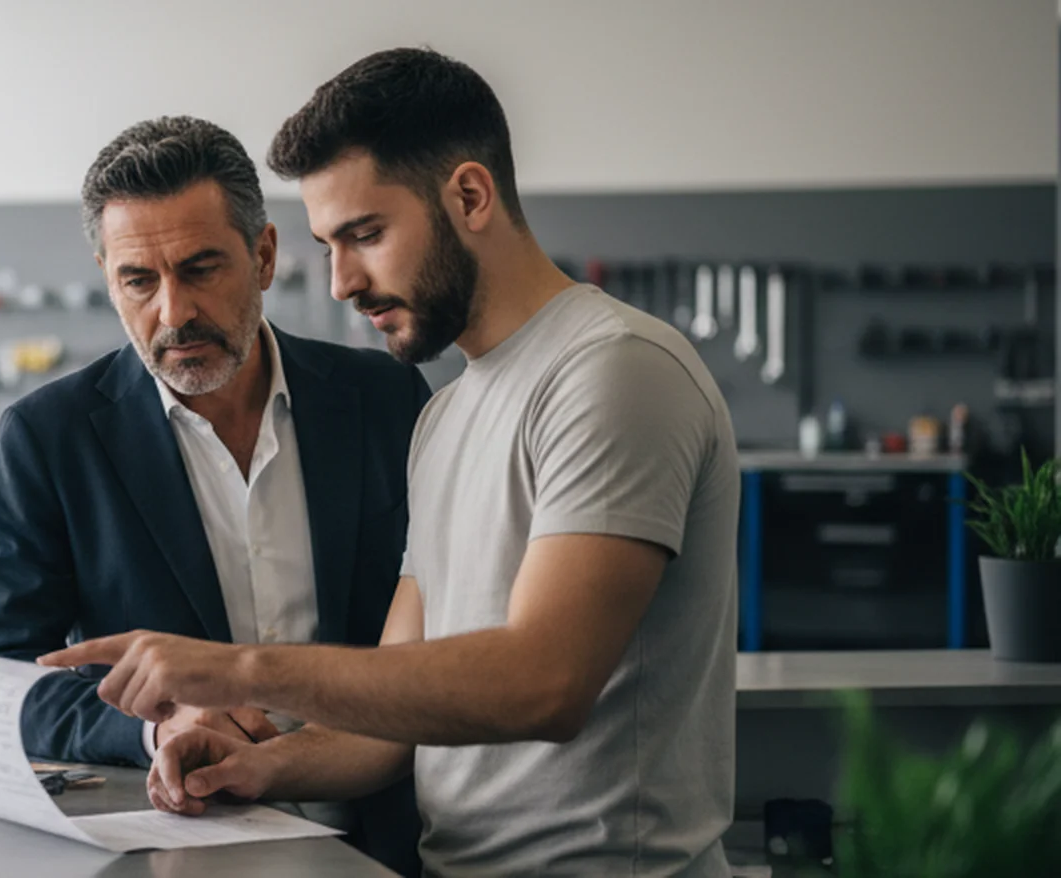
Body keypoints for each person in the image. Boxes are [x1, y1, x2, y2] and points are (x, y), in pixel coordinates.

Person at [41, 48, 739, 878]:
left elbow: (545, 683)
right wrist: (258, 766)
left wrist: (234, 671)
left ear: (470, 196)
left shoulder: (615, 371)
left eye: (366, 235)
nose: (341, 282)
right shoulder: (444, 414)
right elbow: (390, 717)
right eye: (329, 245)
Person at [0, 115, 428, 872]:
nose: (173, 313)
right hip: (183, 847)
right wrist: (155, 728)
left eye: (201, 269)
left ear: (264, 256)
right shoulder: (49, 438)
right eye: (138, 281)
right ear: (107, 277)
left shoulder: (385, 399)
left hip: (387, 847)